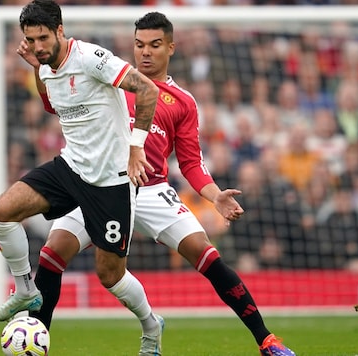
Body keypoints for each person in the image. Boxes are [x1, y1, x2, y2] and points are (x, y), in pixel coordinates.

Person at [22, 11, 295, 356]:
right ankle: (36, 345)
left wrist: (214, 196)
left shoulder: (182, 102)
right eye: (139, 45)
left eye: (154, 45)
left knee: (207, 255)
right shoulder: (110, 76)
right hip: (99, 185)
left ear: (171, 48)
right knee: (50, 255)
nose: (145, 53)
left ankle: (266, 340)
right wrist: (37, 68)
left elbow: (191, 162)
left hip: (152, 190)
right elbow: (53, 103)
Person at [0, 1, 163, 354]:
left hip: (111, 180)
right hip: (71, 169)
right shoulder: (45, 65)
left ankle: (151, 325)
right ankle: (25, 290)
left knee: (110, 275)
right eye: (30, 39)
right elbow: (53, 105)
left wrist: (136, 147)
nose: (37, 46)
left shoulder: (92, 58)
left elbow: (148, 90)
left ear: (60, 31)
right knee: (1, 213)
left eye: (43, 38)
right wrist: (37, 68)